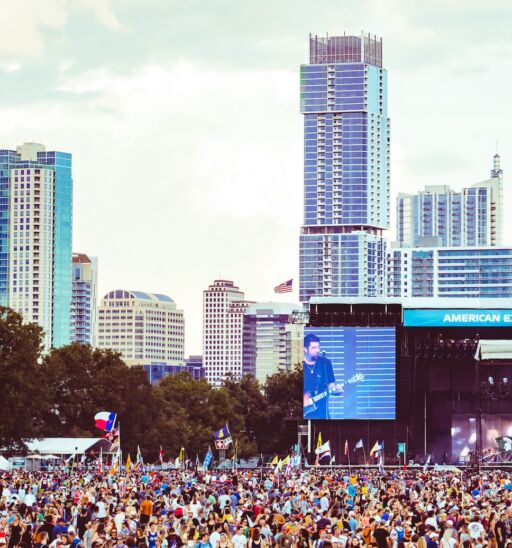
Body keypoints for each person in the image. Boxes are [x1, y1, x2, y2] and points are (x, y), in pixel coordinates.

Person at [303, 334, 343, 420]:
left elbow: (331, 386)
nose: (317, 350)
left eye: (318, 347)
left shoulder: (325, 363)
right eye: (314, 348)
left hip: (323, 414)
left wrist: (337, 390)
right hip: (305, 415)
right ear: (305, 349)